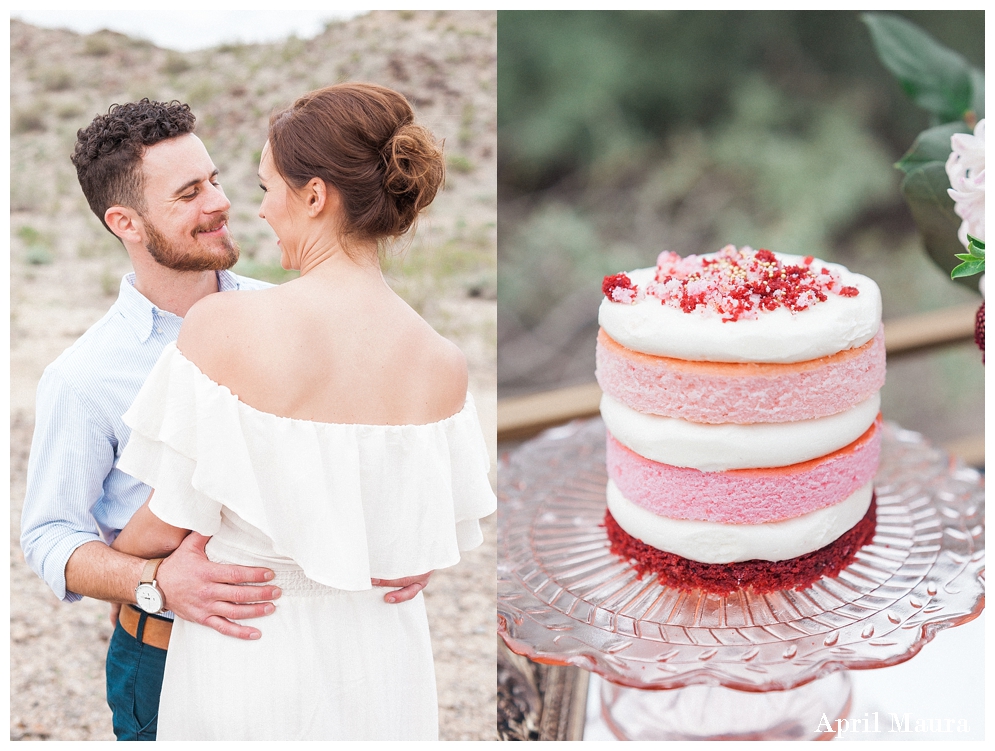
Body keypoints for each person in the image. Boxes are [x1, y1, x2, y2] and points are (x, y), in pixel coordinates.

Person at [19, 98, 434, 741]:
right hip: (163, 652)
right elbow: (49, 538)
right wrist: (154, 580)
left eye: (215, 179)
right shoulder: (83, 379)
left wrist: (406, 535)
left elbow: (356, 451)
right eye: (188, 193)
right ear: (125, 221)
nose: (220, 202)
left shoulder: (298, 314)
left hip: (311, 647)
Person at [103, 83, 496, 740]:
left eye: (265, 187)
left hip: (252, 647)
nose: (257, 210)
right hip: (385, 669)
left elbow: (167, 522)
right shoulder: (443, 364)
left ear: (314, 196)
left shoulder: (223, 326)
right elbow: (430, 540)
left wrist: (125, 562)